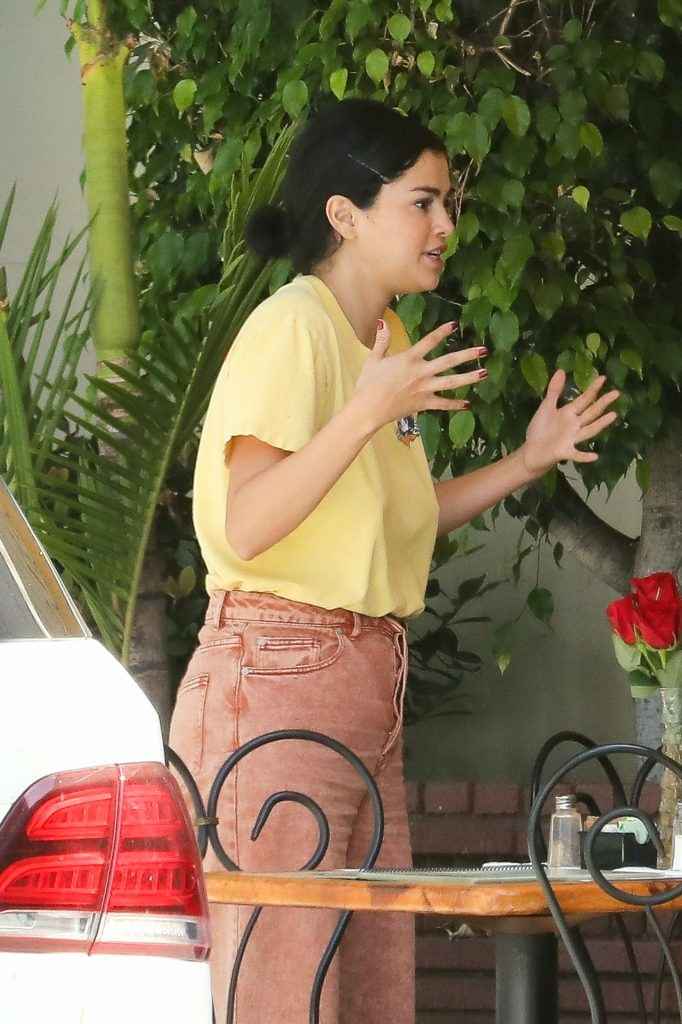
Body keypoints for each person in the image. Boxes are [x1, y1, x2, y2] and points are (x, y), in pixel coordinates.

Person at [169, 98, 619, 1024]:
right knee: (284, 995)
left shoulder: (386, 343)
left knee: (373, 994)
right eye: (423, 202)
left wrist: (526, 462)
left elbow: (398, 523)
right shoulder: (294, 327)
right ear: (344, 213)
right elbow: (247, 524)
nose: (446, 224)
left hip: (361, 685)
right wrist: (365, 411)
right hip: (276, 679)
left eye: (447, 202)